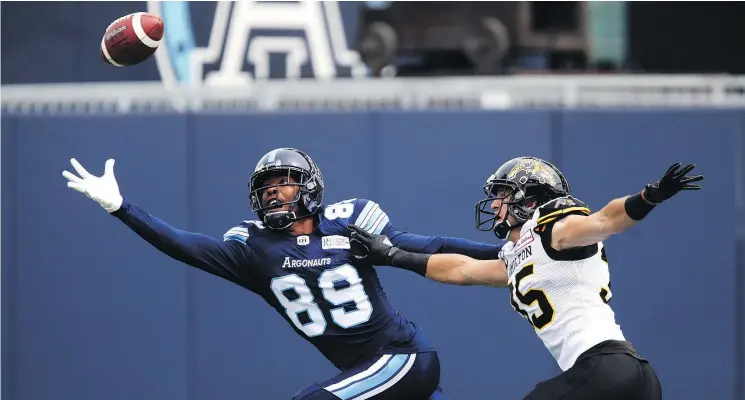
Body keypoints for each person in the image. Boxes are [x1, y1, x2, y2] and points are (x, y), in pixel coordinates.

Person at [62, 147, 504, 400]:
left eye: (285, 183)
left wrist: (508, 251)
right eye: (266, 187)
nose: (274, 192)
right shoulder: (253, 249)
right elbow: (182, 245)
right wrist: (121, 208)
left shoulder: (349, 222)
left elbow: (431, 248)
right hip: (368, 370)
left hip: (402, 358)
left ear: (310, 186)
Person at [348, 156, 704, 400]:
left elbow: (606, 221)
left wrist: (648, 197)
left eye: (502, 195)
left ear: (530, 199)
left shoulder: (556, 229)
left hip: (605, 369)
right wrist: (392, 256)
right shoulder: (521, 253)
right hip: (631, 377)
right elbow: (461, 269)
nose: (493, 205)